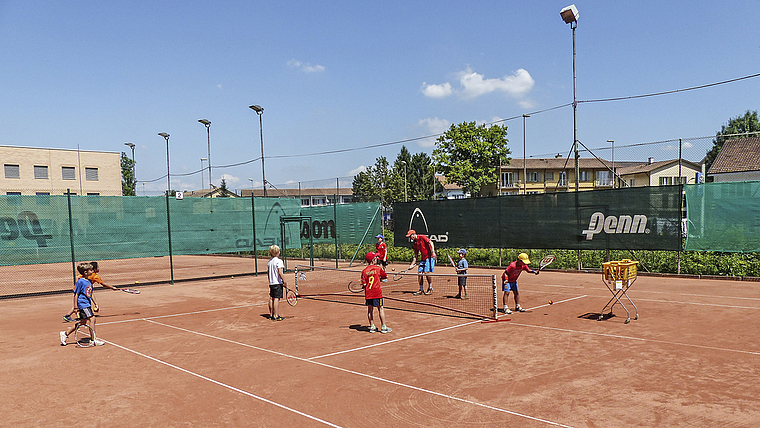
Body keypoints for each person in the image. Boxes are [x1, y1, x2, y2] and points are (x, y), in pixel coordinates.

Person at [60, 263, 105, 346]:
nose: (92, 271)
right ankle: (93, 339)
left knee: (83, 322)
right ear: (85, 272)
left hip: (87, 304)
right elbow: (76, 294)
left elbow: (90, 293)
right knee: (92, 319)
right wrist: (76, 306)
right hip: (82, 304)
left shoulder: (90, 281)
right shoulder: (80, 282)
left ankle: (65, 334)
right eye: (91, 270)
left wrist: (95, 303)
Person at [362, 252, 391, 333]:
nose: (377, 259)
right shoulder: (378, 268)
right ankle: (384, 327)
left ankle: (372, 327)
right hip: (377, 293)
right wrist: (380, 279)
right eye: (375, 258)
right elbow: (385, 277)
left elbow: (364, 284)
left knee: (370, 310)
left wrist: (364, 286)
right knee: (380, 308)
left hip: (368, 294)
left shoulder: (364, 271)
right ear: (373, 260)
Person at [406, 229, 436, 296]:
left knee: (426, 272)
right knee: (419, 274)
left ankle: (430, 287)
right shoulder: (415, 244)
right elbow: (416, 256)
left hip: (429, 257)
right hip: (423, 259)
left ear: (413, 234)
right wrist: (412, 265)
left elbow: (431, 243)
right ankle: (421, 290)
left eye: (410, 236)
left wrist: (433, 252)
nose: (410, 238)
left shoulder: (422, 237)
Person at [267, 245, 287, 321]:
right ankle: (276, 315)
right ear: (278, 252)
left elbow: (268, 273)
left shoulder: (269, 262)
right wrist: (284, 281)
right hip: (277, 283)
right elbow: (280, 272)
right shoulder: (279, 261)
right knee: (276, 298)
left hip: (271, 283)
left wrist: (270, 281)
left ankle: (271, 314)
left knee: (271, 298)